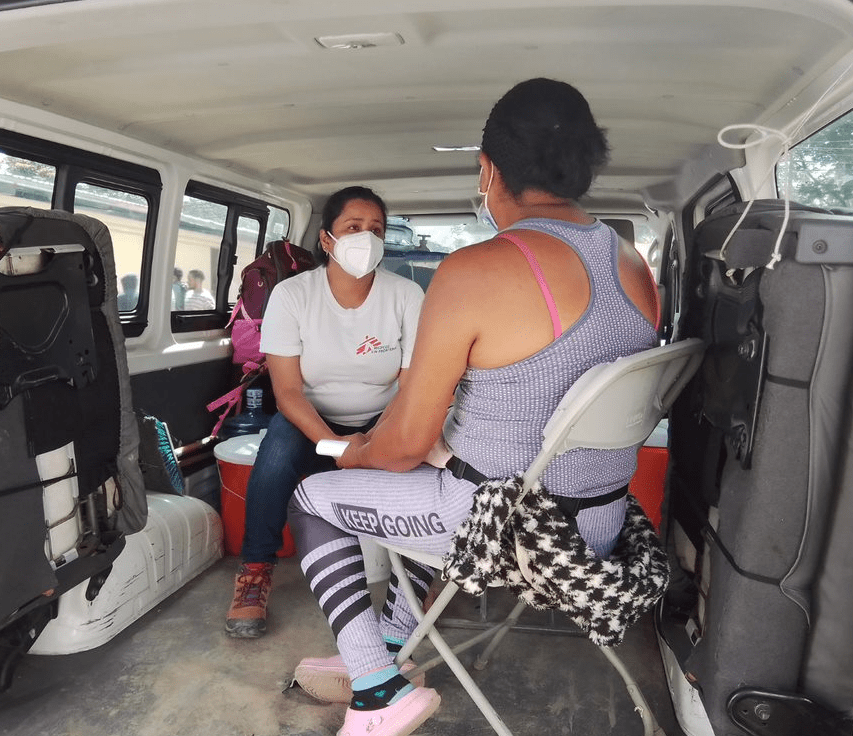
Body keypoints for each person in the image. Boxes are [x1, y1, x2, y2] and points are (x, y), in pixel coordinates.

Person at [286, 78, 660, 736]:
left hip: (502, 529)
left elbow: (400, 446)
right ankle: (391, 645)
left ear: (488, 170)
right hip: (599, 525)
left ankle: (375, 688)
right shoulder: (633, 267)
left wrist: (356, 450)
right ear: (583, 163)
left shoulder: (476, 269)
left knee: (319, 496)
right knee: (409, 490)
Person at [224, 186, 425, 640]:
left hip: (384, 416)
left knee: (423, 464)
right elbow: (288, 392)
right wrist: (335, 446)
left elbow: (412, 387)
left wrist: (376, 441)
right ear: (327, 239)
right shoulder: (293, 295)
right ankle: (255, 570)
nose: (366, 238)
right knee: (273, 460)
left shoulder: (406, 295)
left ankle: (415, 582)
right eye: (353, 228)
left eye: (376, 229)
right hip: (309, 419)